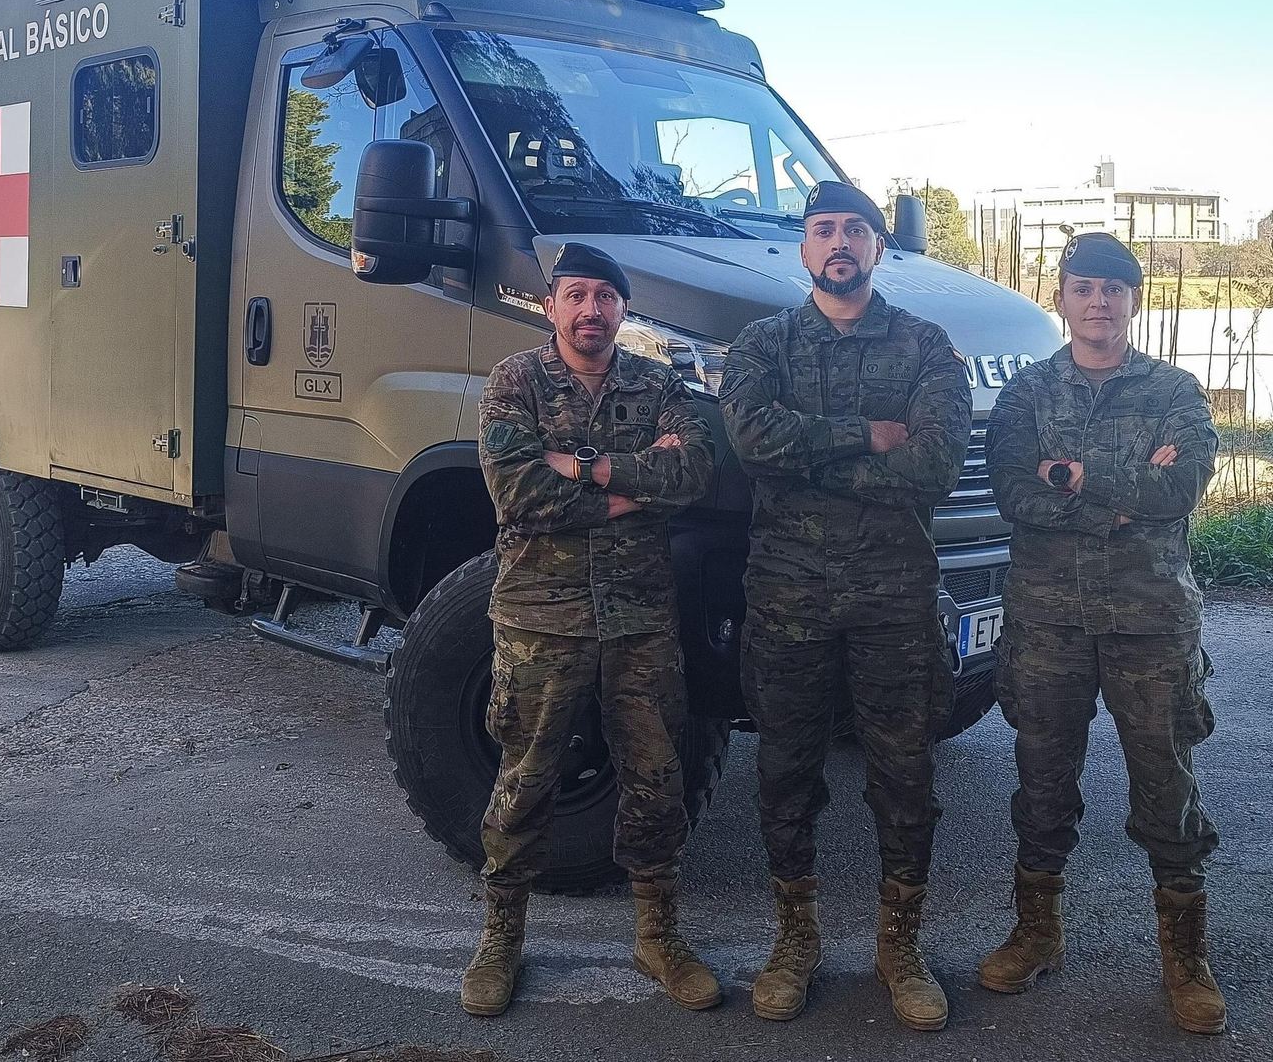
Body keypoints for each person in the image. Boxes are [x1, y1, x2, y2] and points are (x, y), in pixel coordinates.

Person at [718, 181, 971, 1031]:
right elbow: (753, 442)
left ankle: (900, 948)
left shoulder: (928, 344)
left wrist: (811, 453)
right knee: (786, 770)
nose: (839, 243)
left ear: (875, 247)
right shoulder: (764, 344)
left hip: (895, 598)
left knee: (905, 775)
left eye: (854, 231)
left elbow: (934, 466)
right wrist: (867, 433)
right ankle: (795, 941)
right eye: (823, 230)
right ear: (803, 249)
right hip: (788, 596)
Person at [461, 241, 719, 1017]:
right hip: (542, 617)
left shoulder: (656, 381)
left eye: (605, 297)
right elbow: (514, 490)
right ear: (551, 306)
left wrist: (579, 464)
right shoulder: (516, 380)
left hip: (638, 616)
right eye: (575, 295)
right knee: (525, 779)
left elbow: (696, 471)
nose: (591, 311)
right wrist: (633, 481)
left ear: (623, 309)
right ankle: (501, 939)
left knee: (656, 779)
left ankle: (658, 937)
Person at [980, 231, 1225, 1034]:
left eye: (1113, 290)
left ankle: (1185, 958)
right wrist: (1124, 494)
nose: (1098, 303)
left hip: (1150, 622)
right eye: (1083, 288)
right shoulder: (1025, 395)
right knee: (1043, 780)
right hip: (1049, 620)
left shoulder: (1175, 389)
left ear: (1133, 300)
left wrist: (1079, 475)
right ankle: (1036, 930)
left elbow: (1182, 485)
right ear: (1062, 298)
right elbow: (1013, 490)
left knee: (1166, 784)